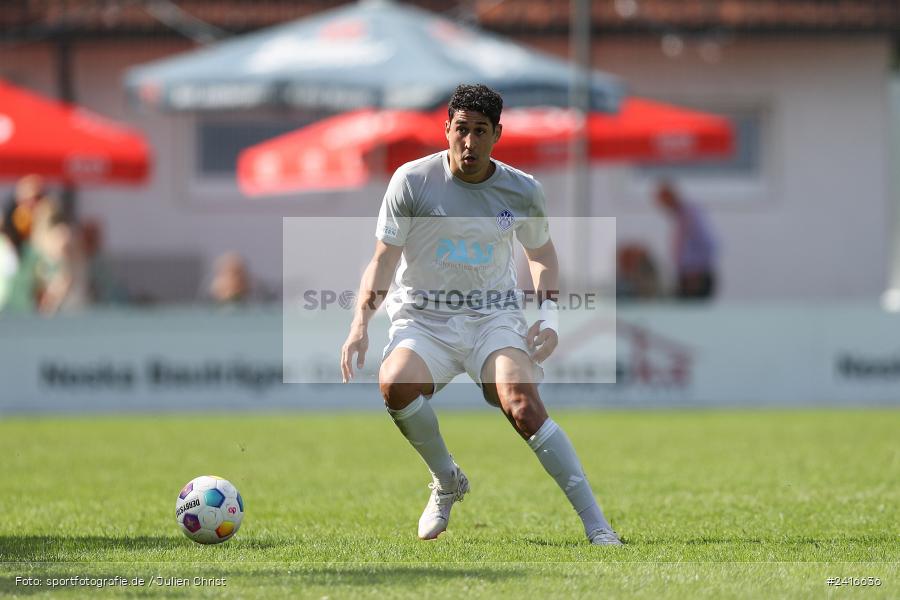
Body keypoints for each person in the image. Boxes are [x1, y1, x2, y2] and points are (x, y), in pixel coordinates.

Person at [339, 84, 621, 545]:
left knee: (521, 404)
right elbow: (384, 259)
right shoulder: (411, 182)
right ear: (446, 128)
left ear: (497, 135)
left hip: (493, 319)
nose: (468, 143)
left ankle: (597, 525)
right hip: (424, 319)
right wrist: (360, 325)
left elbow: (543, 254)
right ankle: (447, 480)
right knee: (394, 384)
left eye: (480, 132)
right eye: (461, 130)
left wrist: (548, 318)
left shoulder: (522, 190)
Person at [655, 180, 717, 299]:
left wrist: (696, 271)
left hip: (695, 276)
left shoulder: (691, 214)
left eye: (662, 200)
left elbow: (709, 243)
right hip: (686, 274)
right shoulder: (680, 216)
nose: (661, 205)